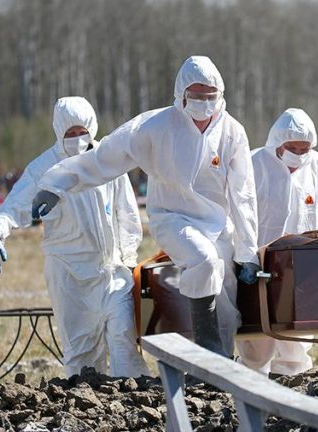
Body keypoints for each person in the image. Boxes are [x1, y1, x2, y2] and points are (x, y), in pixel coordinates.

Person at [31, 56, 259, 358]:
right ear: (181, 94)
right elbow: (104, 157)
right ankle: (206, 345)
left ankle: (218, 368)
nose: (204, 104)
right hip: (172, 218)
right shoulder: (155, 127)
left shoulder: (232, 133)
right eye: (196, 96)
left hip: (218, 224)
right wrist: (56, 184)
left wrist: (248, 252)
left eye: (210, 96)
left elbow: (243, 195)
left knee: (226, 302)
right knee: (203, 261)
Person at [0, 96, 148, 378]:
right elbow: (14, 206)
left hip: (112, 272)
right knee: (82, 358)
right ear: (59, 132)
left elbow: (127, 214)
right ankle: (87, 404)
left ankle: (132, 401)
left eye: (82, 132)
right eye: (70, 133)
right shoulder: (43, 168)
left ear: (92, 128)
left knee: (125, 341)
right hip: (69, 278)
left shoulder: (107, 160)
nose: (77, 139)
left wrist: (129, 260)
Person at [236, 108, 318, 377]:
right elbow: (227, 210)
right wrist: (243, 257)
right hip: (255, 267)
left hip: (301, 269)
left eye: (304, 149)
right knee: (256, 345)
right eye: (291, 148)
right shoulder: (250, 165)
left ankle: (293, 387)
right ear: (276, 143)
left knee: (296, 340)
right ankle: (249, 386)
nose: (298, 154)